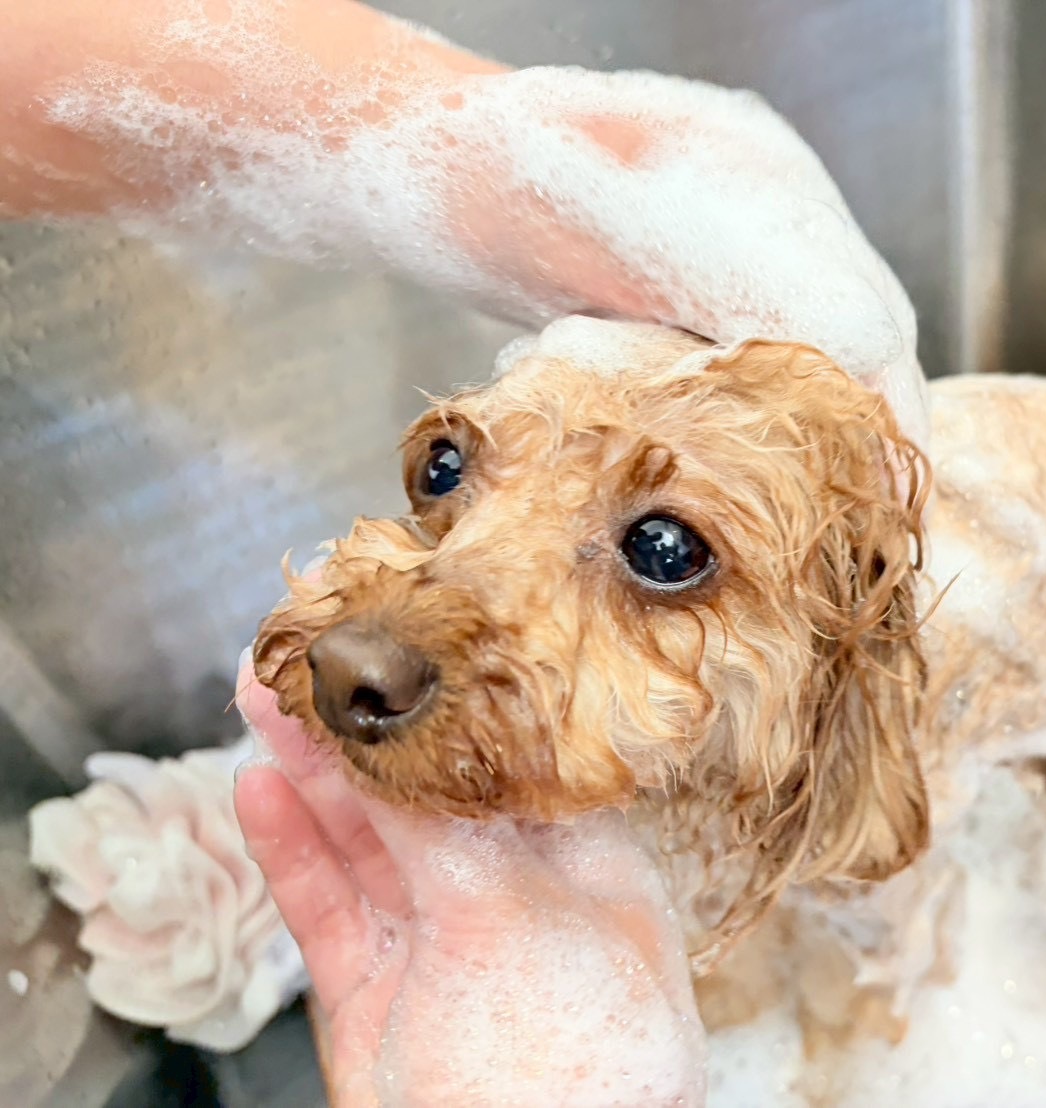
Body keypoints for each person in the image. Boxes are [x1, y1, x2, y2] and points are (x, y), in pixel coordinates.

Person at [1, 2, 926, 1103]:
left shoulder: (856, 727)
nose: (371, 644)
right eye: (450, 473)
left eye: (662, 548)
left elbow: (878, 862)